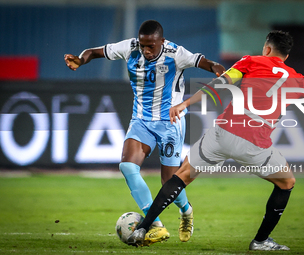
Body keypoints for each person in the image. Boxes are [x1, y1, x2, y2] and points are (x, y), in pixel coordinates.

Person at [127, 30, 304, 250]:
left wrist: (185, 104)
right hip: (254, 144)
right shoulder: (297, 79)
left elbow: (220, 84)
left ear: (266, 49)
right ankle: (260, 241)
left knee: (181, 176)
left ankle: (143, 227)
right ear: (286, 57)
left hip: (222, 134)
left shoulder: (250, 61)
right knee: (287, 183)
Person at [64, 20, 226, 245]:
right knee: (127, 167)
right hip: (141, 121)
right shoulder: (130, 48)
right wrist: (81, 60)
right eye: (143, 45)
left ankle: (186, 212)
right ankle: (155, 225)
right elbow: (93, 52)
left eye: (151, 46)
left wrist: (217, 68)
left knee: (169, 181)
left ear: (162, 41)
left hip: (170, 122)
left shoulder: (175, 53)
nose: (146, 50)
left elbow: (205, 63)